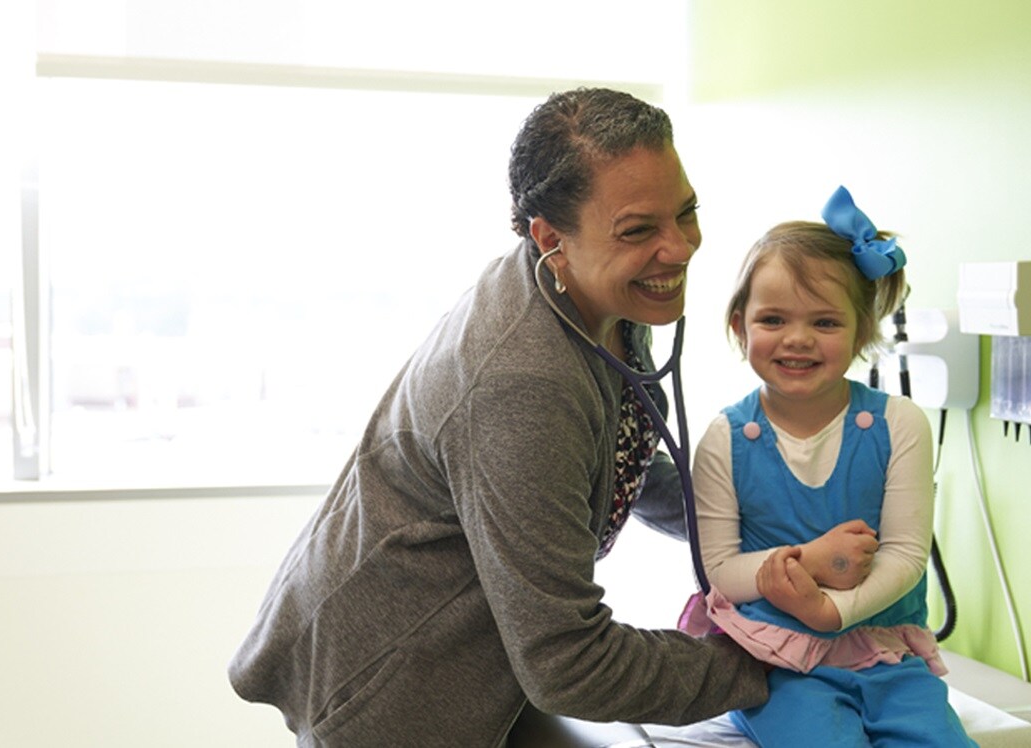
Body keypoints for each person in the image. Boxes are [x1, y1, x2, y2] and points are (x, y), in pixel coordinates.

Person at [227, 87, 769, 747]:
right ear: (551, 239)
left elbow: (621, 458)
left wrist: (767, 524)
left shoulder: (599, 296)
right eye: (639, 230)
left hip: (484, 665)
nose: (680, 248)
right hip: (394, 691)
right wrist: (770, 662)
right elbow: (570, 663)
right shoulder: (525, 379)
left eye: (686, 213)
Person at [684, 186, 976, 746]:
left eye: (824, 322)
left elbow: (908, 556)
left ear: (862, 331)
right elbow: (719, 569)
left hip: (887, 655)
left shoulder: (900, 425)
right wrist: (808, 563)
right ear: (739, 326)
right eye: (773, 319)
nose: (797, 339)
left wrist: (831, 611)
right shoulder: (726, 438)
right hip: (777, 657)